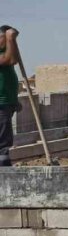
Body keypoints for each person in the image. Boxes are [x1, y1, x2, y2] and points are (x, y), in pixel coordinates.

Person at [0, 26, 20, 166]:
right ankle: (4, 169)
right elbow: (10, 60)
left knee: (5, 136)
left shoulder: (5, 50)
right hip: (1, 104)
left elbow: (15, 58)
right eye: (4, 37)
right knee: (3, 140)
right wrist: (11, 38)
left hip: (7, 102)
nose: (6, 40)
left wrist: (12, 39)